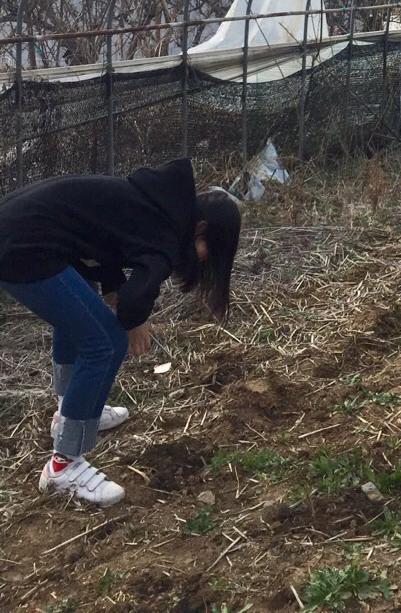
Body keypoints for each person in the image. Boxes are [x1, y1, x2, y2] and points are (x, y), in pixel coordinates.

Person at [0, 159, 241, 506]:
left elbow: (106, 234)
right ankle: (63, 467)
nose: (203, 260)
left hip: (20, 230)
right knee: (105, 342)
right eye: (209, 251)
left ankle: (69, 413)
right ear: (200, 229)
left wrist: (113, 284)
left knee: (83, 310)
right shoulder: (167, 235)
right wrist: (134, 319)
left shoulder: (157, 203)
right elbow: (134, 300)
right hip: (22, 246)